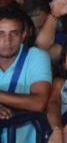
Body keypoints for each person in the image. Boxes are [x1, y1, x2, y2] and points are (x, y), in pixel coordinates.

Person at [0, 8, 52, 143]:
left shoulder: (36, 57)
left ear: (23, 35)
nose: (7, 41)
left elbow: (39, 103)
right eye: (1, 34)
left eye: (14, 34)